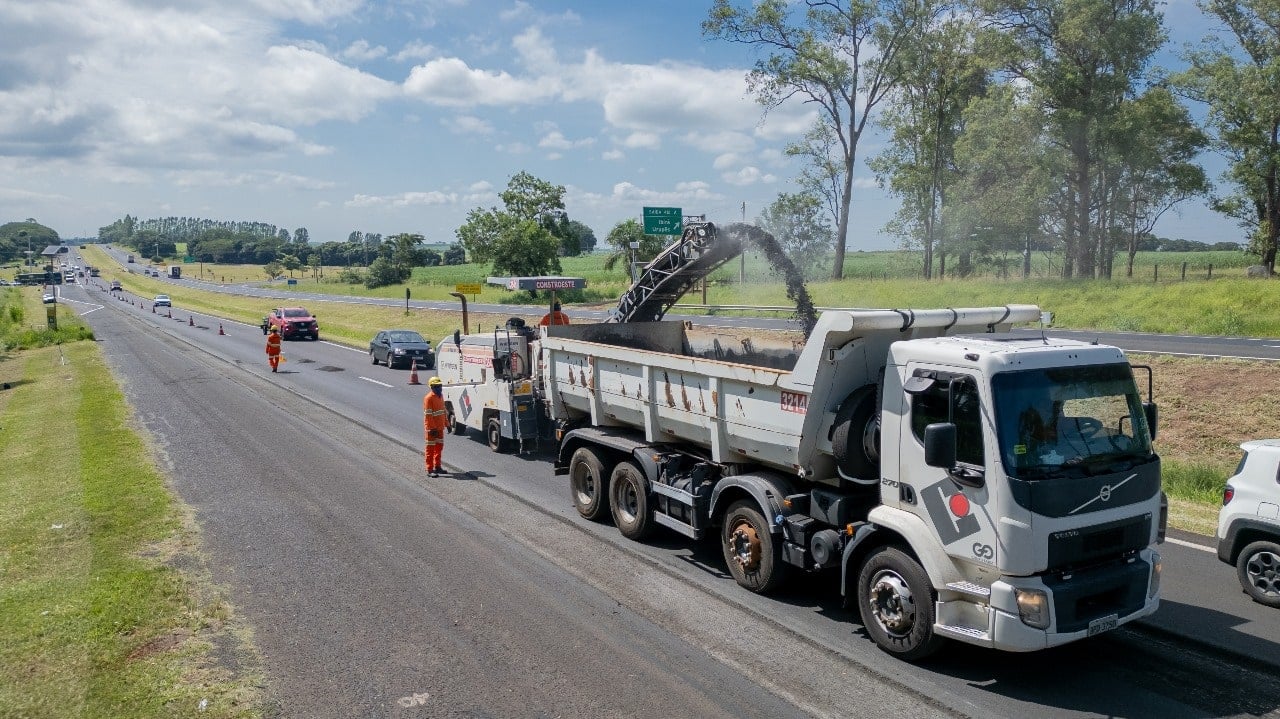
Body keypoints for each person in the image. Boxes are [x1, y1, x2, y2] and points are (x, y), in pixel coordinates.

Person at [423, 376, 447, 477]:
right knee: (430, 449)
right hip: (432, 429)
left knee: (439, 448)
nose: (439, 388)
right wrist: (432, 428)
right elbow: (428, 415)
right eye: (437, 386)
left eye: (440, 386)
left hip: (440, 428)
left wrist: (447, 424)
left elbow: (443, 411)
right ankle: (430, 469)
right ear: (432, 387)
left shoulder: (440, 396)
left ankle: (437, 466)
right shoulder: (428, 398)